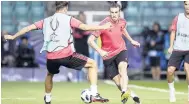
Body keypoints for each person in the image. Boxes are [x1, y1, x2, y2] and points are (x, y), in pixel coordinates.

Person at [4, 1, 112, 104]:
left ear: (56, 8)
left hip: (51, 57)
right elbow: (85, 27)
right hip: (67, 56)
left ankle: (47, 97)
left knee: (50, 74)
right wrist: (103, 26)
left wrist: (13, 36)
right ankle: (94, 94)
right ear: (65, 8)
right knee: (92, 64)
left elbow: (28, 28)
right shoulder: (69, 19)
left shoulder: (45, 21)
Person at [88, 3, 141, 104]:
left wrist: (131, 40)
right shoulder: (103, 24)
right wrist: (100, 51)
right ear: (109, 13)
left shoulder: (123, 22)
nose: (114, 15)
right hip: (108, 56)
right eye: (112, 12)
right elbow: (90, 40)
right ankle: (132, 94)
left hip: (121, 50)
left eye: (116, 12)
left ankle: (124, 93)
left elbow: (123, 29)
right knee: (118, 83)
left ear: (119, 12)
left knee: (123, 70)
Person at [167, 1, 189, 103]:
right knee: (170, 71)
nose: (187, 6)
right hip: (178, 48)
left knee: (187, 70)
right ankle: (172, 90)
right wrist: (171, 46)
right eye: (186, 4)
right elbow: (173, 32)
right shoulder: (178, 17)